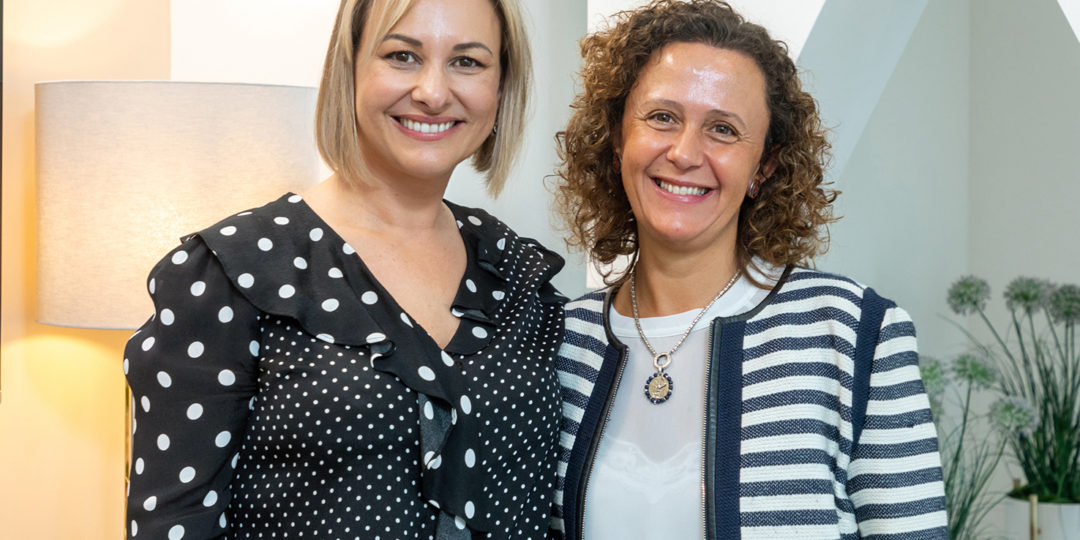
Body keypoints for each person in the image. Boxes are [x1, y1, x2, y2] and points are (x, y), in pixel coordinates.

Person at [123, 0, 566, 538]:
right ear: (349, 69)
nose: (432, 92)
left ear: (501, 87)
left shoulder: (515, 269)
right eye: (402, 56)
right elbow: (174, 523)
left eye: (467, 62)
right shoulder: (234, 270)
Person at [549, 1, 948, 538]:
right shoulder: (558, 341)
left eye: (723, 129)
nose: (685, 153)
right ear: (618, 138)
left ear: (765, 165)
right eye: (662, 117)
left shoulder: (856, 334)